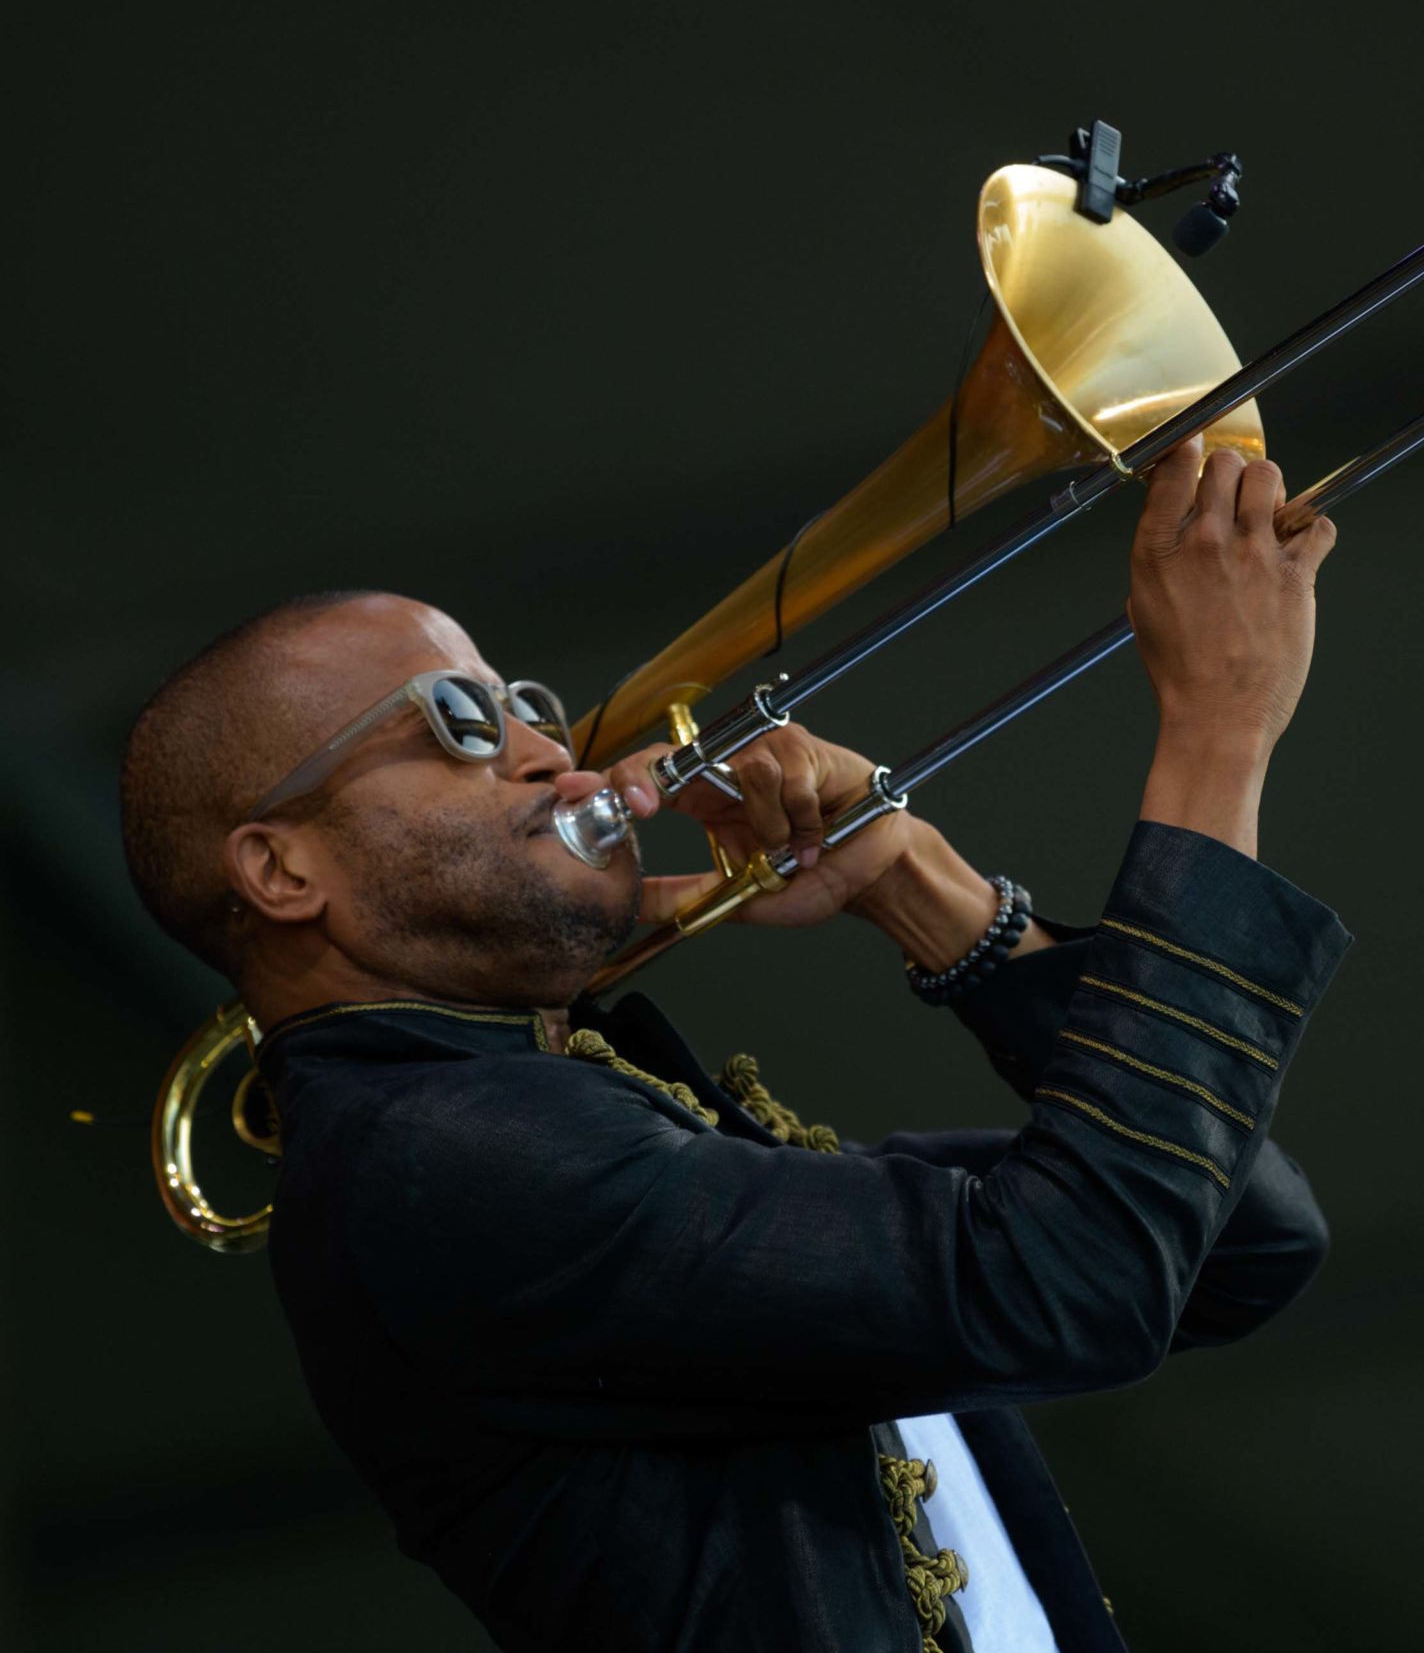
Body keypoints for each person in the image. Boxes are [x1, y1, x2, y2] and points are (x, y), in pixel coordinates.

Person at [117, 439, 1347, 1652]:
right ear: (282, 868)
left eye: (524, 705)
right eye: (454, 720)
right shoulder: (439, 1158)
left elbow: (1239, 1242)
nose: (550, 750)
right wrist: (1216, 730)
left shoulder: (572, 1125)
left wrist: (930, 892)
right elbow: (1078, 1273)